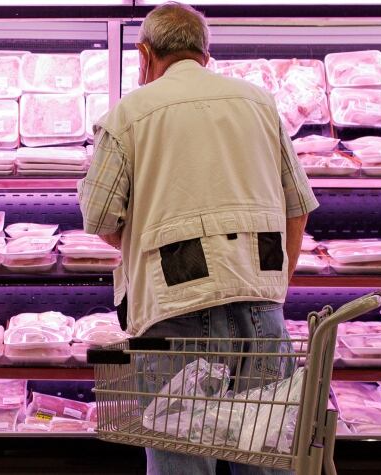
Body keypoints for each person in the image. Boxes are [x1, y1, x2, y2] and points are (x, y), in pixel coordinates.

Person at [79, 2, 318, 474]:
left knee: (180, 463)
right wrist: (270, 280)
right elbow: (298, 206)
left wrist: (144, 234)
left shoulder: (130, 114)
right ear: (205, 55)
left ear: (144, 54)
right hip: (261, 312)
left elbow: (99, 215)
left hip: (174, 315)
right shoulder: (259, 103)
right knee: (264, 455)